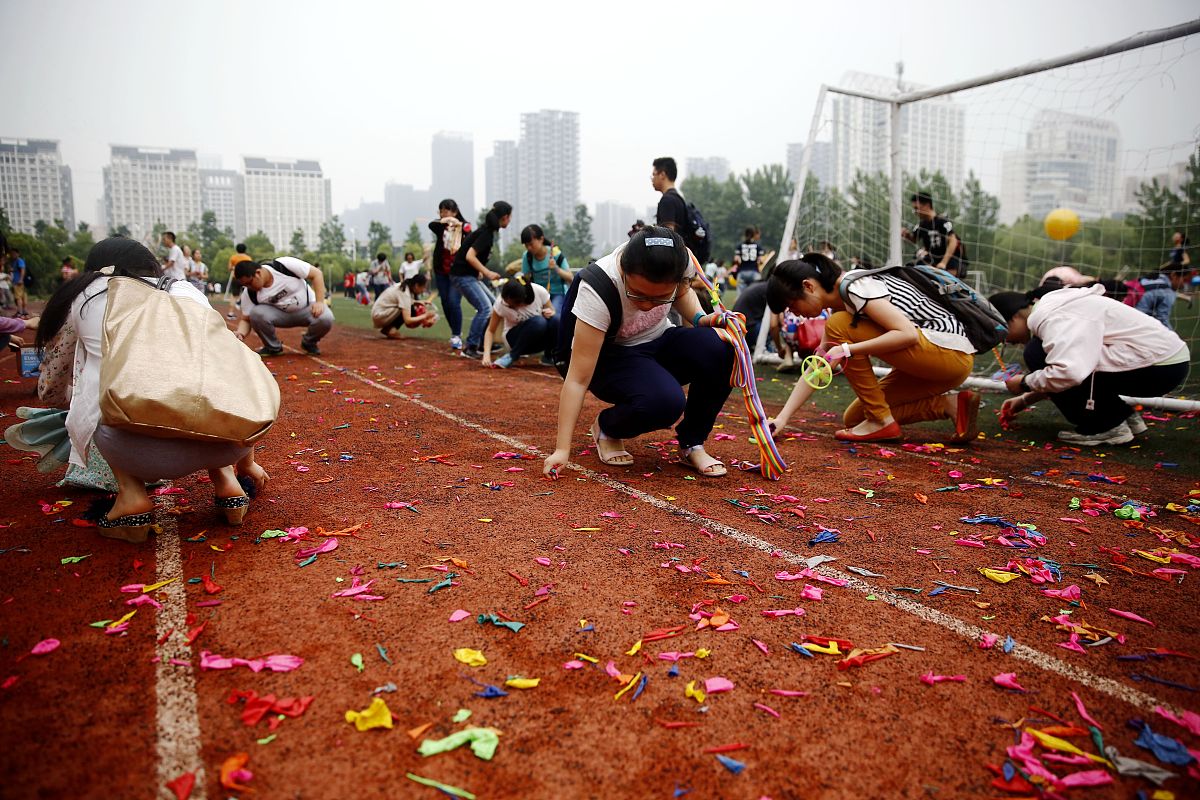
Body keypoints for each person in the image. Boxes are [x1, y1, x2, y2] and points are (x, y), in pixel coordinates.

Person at [32, 237, 270, 541]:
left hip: (136, 451)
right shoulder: (189, 292)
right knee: (204, 380)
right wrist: (246, 461)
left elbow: (51, 386)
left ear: (95, 272)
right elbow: (230, 373)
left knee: (101, 388)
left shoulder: (86, 296)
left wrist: (73, 401)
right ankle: (228, 484)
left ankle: (131, 495)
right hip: (226, 442)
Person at [542, 226, 735, 479]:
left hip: (658, 341)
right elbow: (577, 378)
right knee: (665, 403)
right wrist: (561, 449)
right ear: (623, 271)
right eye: (638, 295)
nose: (646, 306)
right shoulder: (599, 286)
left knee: (721, 347)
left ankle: (692, 443)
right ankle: (607, 427)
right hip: (608, 357)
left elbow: (684, 291)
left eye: (660, 298)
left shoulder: (681, 260)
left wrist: (701, 319)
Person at [766, 254, 980, 443]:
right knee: (856, 417)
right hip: (934, 364)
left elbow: (908, 334)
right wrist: (782, 417)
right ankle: (949, 405)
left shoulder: (855, 287)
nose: (794, 313)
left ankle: (881, 421)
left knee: (839, 326)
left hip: (951, 355)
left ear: (808, 286)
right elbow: (818, 366)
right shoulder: (840, 305)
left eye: (792, 306)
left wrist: (847, 350)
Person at [989, 284, 1189, 446]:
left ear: (1014, 318)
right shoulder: (1057, 307)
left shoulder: (1054, 317)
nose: (1006, 342)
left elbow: (1070, 372)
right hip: (1166, 362)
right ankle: (1122, 416)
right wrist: (1025, 399)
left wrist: (1025, 383)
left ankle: (1105, 426)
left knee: (1035, 353)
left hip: (1159, 367)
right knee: (1045, 354)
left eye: (1003, 334)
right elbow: (1077, 366)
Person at [233, 256, 333, 356]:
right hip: (280, 316)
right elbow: (246, 319)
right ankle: (273, 347)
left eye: (250, 283)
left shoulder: (283, 265)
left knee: (326, 317)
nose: (249, 287)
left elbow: (316, 274)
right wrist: (240, 333)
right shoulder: (249, 293)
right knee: (255, 313)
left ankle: (309, 343)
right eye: (245, 285)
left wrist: (319, 302)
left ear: (258, 273)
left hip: (306, 309)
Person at [451, 200, 511, 359]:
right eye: (509, 217)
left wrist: (478, 271)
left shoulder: (487, 232)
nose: (509, 221)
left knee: (494, 305)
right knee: (485, 309)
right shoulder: (486, 234)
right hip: (461, 275)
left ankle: (484, 343)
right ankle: (471, 346)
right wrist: (487, 272)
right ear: (504, 217)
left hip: (468, 274)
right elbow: (469, 256)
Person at [481, 276, 557, 370]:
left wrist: (550, 313)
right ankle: (512, 356)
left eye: (511, 305)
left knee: (556, 320)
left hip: (538, 341)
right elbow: (490, 330)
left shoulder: (539, 291)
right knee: (539, 322)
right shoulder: (500, 303)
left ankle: (550, 356)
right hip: (514, 340)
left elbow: (553, 312)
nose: (507, 306)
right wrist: (486, 354)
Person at [429, 198, 471, 351]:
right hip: (441, 270)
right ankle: (455, 333)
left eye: (445, 210)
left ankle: (456, 334)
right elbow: (431, 224)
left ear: (455, 211)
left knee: (453, 301)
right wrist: (446, 220)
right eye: (440, 211)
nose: (442, 214)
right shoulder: (440, 227)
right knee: (445, 302)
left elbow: (471, 240)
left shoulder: (464, 227)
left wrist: (457, 223)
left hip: (457, 271)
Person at [902, 192, 967, 277]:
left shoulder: (942, 221)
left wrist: (943, 263)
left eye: (916, 208)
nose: (915, 212)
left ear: (927, 205)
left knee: (949, 274)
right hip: (933, 259)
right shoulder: (921, 225)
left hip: (949, 258)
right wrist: (906, 235)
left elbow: (953, 241)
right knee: (916, 266)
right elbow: (914, 239)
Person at [520, 224, 573, 318]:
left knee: (555, 318)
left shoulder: (555, 253)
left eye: (531, 244)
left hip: (557, 294)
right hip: (539, 296)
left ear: (541, 239)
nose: (529, 248)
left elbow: (570, 277)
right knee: (538, 320)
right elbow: (526, 280)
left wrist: (556, 268)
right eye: (526, 245)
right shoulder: (527, 257)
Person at [372, 264, 438, 338]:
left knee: (409, 307)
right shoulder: (405, 292)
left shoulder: (405, 287)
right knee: (406, 309)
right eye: (423, 288)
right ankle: (390, 329)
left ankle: (388, 328)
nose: (423, 290)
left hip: (380, 313)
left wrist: (417, 302)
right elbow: (408, 321)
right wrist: (425, 316)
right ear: (416, 285)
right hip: (380, 315)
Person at [652, 158, 688, 233]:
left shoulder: (667, 200)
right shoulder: (678, 198)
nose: (652, 179)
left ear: (662, 175)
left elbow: (668, 236)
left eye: (654, 174)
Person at [9, 247, 29, 317]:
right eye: (12, 253)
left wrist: (20, 279)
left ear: (18, 253)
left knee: (18, 297)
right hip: (16, 282)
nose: (12, 254)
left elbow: (23, 270)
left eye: (14, 253)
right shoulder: (14, 261)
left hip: (18, 282)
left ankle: (20, 312)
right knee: (22, 297)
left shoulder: (19, 260)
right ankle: (23, 311)